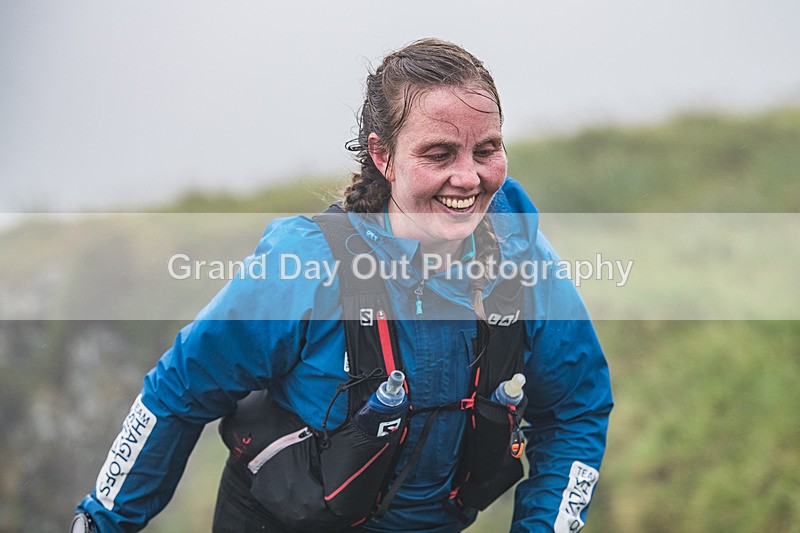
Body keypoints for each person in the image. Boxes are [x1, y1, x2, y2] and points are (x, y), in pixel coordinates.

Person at [73, 38, 612, 533]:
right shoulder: (308, 265)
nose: (469, 177)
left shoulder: (523, 260)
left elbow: (575, 411)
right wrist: (101, 523)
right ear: (383, 156)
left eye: (487, 150)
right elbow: (181, 388)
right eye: (439, 154)